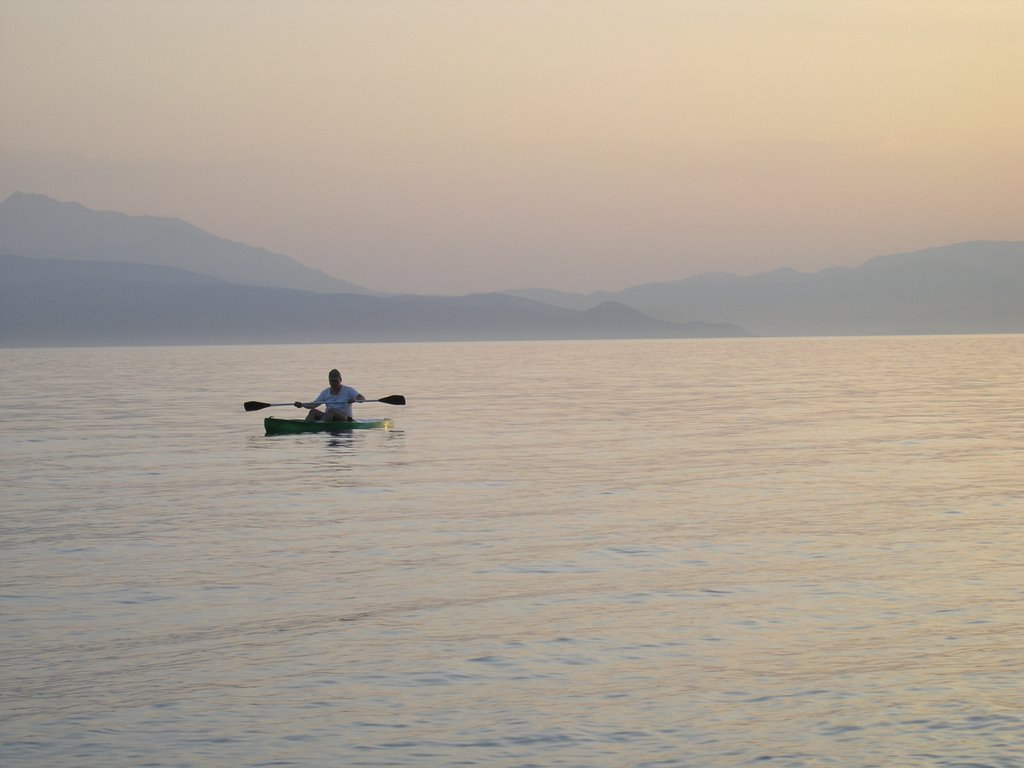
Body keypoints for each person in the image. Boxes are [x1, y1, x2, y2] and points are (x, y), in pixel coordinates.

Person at [294, 369, 365, 422]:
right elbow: (313, 404)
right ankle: (307, 427)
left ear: (340, 380)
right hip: (328, 417)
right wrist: (302, 405)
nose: (334, 383)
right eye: (332, 381)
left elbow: (362, 398)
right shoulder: (325, 392)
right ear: (329, 381)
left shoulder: (348, 390)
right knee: (313, 412)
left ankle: (320, 427)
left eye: (335, 381)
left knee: (331, 411)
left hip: (346, 419)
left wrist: (355, 400)